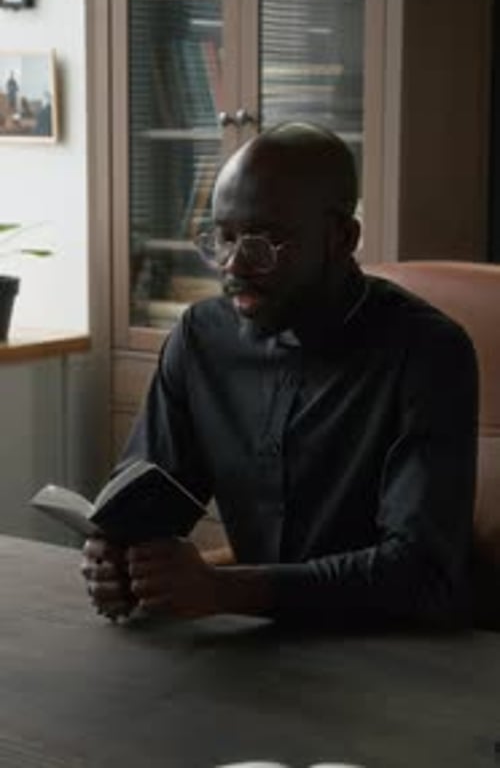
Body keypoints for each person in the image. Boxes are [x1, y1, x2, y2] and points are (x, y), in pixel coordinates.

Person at [82, 121, 478, 629]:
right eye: (221, 239)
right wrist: (115, 557)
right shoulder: (202, 338)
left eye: (264, 242)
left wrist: (225, 589)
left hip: (389, 659)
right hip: (251, 648)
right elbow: (146, 500)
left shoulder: (427, 353)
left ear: (341, 238)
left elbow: (422, 575)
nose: (234, 266)